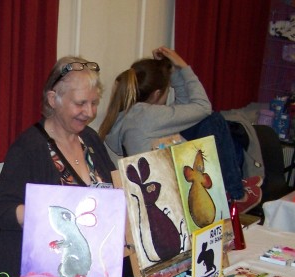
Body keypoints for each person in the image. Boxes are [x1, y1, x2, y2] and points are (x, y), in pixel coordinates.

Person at [0, 56, 117, 277]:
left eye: (94, 103)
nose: (89, 112)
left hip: (91, 266)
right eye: (80, 103)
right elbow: (2, 211)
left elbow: (115, 190)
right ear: (53, 100)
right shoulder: (28, 148)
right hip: (41, 275)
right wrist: (50, 214)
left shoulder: (90, 139)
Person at [99, 46, 261, 212]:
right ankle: (237, 195)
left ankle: (231, 188)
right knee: (213, 120)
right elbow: (203, 107)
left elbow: (185, 110)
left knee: (197, 122)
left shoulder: (130, 116)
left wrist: (173, 72)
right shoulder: (147, 116)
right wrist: (184, 67)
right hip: (171, 193)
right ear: (157, 94)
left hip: (157, 189)